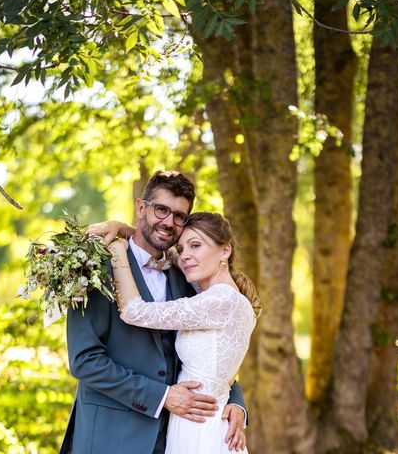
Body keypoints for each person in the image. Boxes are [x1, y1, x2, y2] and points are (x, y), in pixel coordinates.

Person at [60, 171, 248, 454]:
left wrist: (236, 402)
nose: (169, 222)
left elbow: (214, 349)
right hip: (109, 438)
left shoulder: (186, 275)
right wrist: (162, 396)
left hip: (175, 438)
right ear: (141, 207)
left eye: (179, 216)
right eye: (161, 209)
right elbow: (85, 360)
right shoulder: (94, 270)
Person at [107, 211, 261, 454]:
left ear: (225, 251)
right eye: (181, 248)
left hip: (201, 428)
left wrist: (117, 253)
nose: (185, 255)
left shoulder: (221, 300)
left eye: (196, 245)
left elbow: (134, 311)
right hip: (197, 420)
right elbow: (172, 257)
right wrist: (124, 228)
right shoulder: (218, 297)